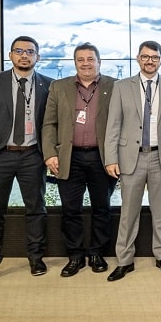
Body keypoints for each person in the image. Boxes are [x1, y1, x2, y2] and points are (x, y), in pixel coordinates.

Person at [0, 36, 54, 285]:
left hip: (32, 156)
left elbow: (53, 123)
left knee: (36, 210)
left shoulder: (49, 85)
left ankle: (36, 258)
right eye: (19, 51)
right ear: (11, 55)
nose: (24, 55)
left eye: (30, 51)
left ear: (38, 56)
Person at [103, 41, 161, 281]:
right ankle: (124, 260)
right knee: (128, 212)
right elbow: (113, 125)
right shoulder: (122, 86)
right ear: (138, 58)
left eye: (154, 57)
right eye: (145, 57)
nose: (150, 61)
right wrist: (111, 158)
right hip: (130, 158)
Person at [42, 42, 117, 277]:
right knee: (70, 210)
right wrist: (50, 153)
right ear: (75, 63)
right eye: (80, 59)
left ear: (99, 61)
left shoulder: (114, 86)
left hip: (101, 157)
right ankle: (75, 256)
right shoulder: (59, 87)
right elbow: (49, 123)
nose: (86, 63)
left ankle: (96, 253)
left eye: (90, 59)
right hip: (69, 157)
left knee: (101, 208)